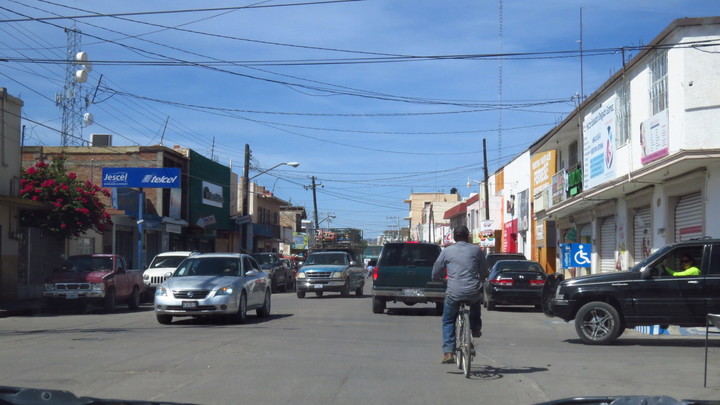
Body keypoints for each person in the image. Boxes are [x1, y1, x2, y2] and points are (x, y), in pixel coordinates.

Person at [432, 225, 488, 364]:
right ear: (468, 236)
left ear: (454, 237)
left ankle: (449, 352)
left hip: (454, 291)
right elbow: (484, 270)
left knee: (448, 320)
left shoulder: (447, 251)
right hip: (472, 290)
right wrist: (481, 278)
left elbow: (437, 268)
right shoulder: (476, 250)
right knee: (476, 302)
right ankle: (475, 328)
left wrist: (437, 277)